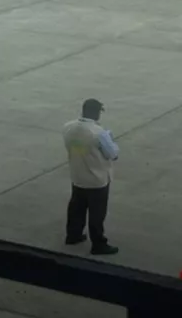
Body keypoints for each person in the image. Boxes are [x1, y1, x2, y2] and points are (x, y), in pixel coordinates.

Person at [62, 98, 119, 256]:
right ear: (96, 113)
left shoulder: (68, 127)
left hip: (77, 175)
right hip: (96, 179)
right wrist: (111, 140)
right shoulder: (99, 133)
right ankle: (98, 243)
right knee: (97, 213)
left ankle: (73, 235)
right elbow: (113, 154)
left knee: (76, 207)